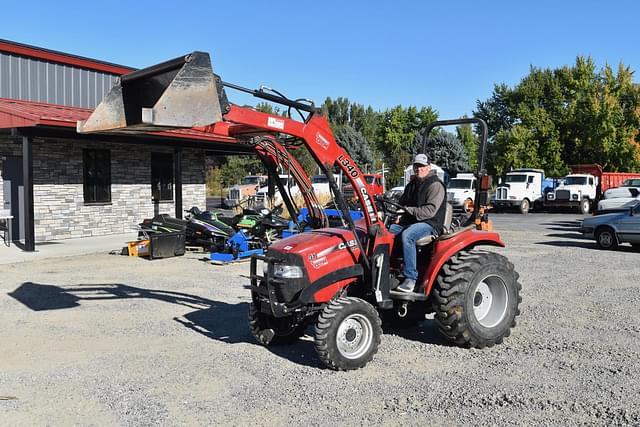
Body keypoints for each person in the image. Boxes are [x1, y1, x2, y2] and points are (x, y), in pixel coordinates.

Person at [389, 153, 447, 293]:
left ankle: (410, 278)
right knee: (386, 231)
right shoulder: (412, 185)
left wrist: (408, 210)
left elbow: (429, 211)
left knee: (408, 235)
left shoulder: (435, 185)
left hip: (430, 224)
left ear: (428, 167)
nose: (419, 169)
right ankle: (390, 269)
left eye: (421, 166)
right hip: (411, 222)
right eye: (416, 166)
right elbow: (401, 203)